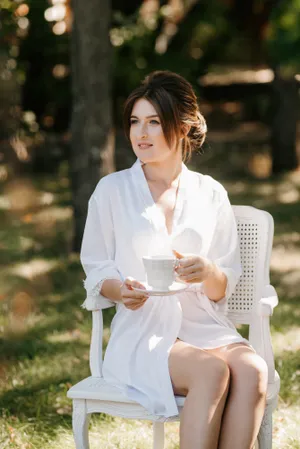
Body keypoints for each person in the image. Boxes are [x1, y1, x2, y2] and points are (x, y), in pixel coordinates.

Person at [80, 70, 268, 449]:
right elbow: (97, 268)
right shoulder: (112, 190)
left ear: (182, 128)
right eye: (135, 122)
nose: (141, 133)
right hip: (141, 333)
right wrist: (122, 291)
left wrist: (209, 271)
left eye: (154, 122)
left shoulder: (210, 193)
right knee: (212, 372)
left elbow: (221, 286)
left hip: (205, 327)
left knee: (252, 369)